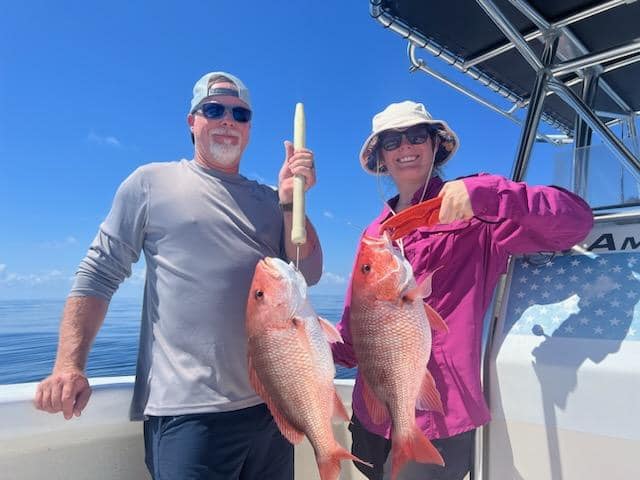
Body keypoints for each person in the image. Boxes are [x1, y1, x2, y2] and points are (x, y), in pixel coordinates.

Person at [34, 71, 322, 480]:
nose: (227, 120)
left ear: (249, 128)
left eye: (240, 114)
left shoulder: (269, 199)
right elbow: (99, 273)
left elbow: (306, 272)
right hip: (187, 413)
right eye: (213, 109)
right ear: (192, 121)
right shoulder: (150, 183)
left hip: (271, 405)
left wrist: (294, 203)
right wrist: (68, 364)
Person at [331, 100, 593, 480]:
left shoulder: (476, 210)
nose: (405, 147)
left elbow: (575, 222)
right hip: (371, 417)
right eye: (391, 141)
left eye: (416, 136)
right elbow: (355, 335)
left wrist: (488, 194)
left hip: (439, 418)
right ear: (381, 158)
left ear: (435, 144)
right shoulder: (374, 235)